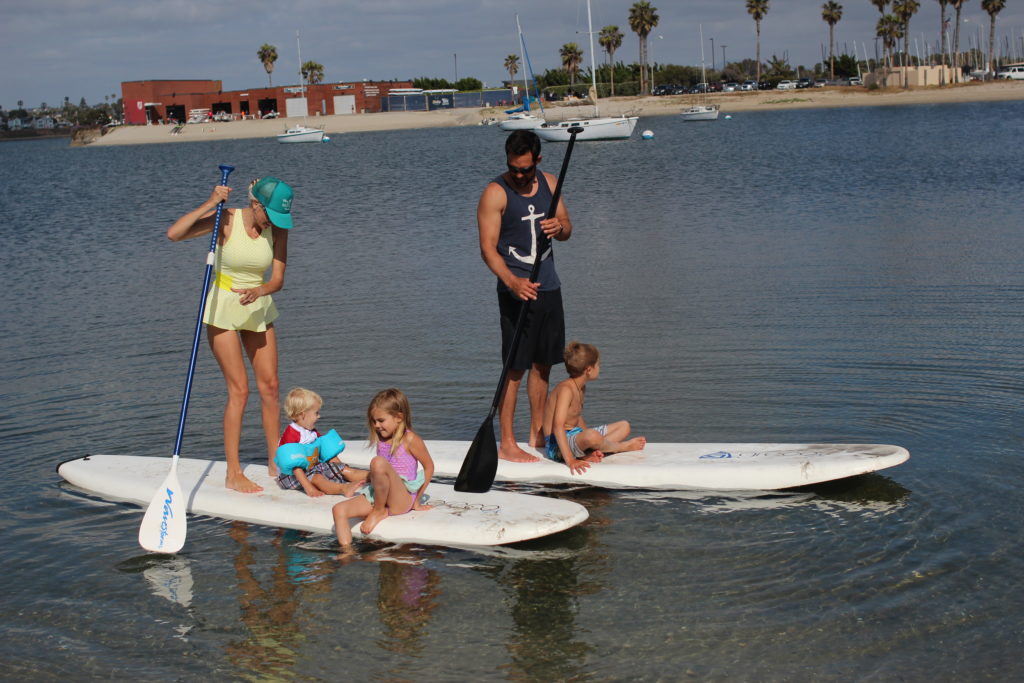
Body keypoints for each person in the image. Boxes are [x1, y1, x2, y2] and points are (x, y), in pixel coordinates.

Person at [166, 176, 292, 493]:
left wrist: (260, 289)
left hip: (258, 305)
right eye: (270, 215)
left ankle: (276, 461)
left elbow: (277, 279)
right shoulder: (227, 219)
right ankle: (233, 473)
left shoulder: (278, 227)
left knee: (271, 387)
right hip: (223, 306)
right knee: (239, 390)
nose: (273, 223)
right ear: (255, 204)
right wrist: (210, 203)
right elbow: (174, 234)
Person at [477, 129, 573, 462]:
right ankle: (507, 441)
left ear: (538, 161)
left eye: (525, 169)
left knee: (543, 365)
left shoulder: (549, 182)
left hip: (549, 287)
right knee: (514, 368)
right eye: (513, 168)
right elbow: (487, 250)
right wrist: (513, 283)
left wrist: (559, 228)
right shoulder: (495, 193)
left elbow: (567, 227)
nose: (519, 175)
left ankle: (537, 434)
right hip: (516, 292)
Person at [331, 389, 434, 553]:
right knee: (339, 510)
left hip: (402, 498)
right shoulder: (382, 440)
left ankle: (379, 511)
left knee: (378, 462)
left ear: (398, 418)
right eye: (373, 421)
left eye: (381, 420)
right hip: (380, 496)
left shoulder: (410, 439)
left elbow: (429, 466)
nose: (376, 425)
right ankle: (346, 553)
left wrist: (417, 501)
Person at [542, 342, 646, 475]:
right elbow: (557, 427)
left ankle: (589, 452)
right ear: (589, 370)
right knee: (592, 436)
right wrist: (570, 460)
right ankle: (622, 447)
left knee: (624, 426)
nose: (600, 368)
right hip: (557, 446)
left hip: (575, 435)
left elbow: (576, 416)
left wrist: (590, 443)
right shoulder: (566, 390)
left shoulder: (580, 387)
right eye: (598, 365)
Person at [275, 387, 367, 498]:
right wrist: (309, 488)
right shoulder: (290, 435)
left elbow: (325, 452)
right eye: (316, 413)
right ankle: (344, 489)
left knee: (346, 470)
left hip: (312, 468)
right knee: (317, 478)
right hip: (291, 475)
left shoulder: (310, 431)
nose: (319, 416)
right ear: (303, 414)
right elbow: (295, 466)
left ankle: (377, 476)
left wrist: (339, 468)